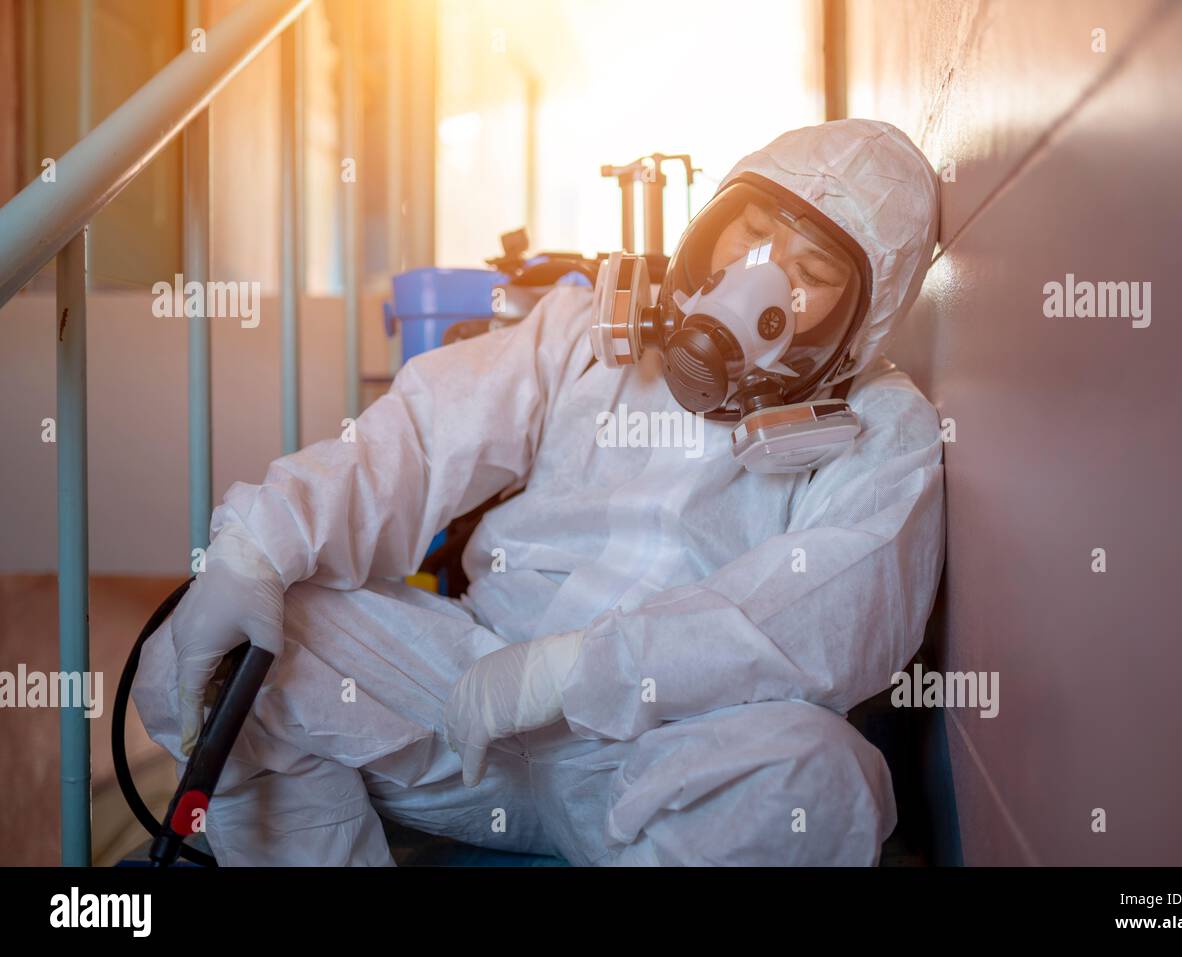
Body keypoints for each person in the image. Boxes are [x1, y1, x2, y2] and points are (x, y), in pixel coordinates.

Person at [133, 117, 943, 866]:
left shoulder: (878, 424)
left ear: (862, 316)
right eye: (755, 231)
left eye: (811, 272)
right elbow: (418, 438)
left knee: (823, 778)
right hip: (462, 689)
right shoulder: (584, 332)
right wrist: (254, 547)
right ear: (713, 222)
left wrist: (577, 671)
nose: (760, 277)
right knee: (206, 647)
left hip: (663, 748)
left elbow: (835, 609)